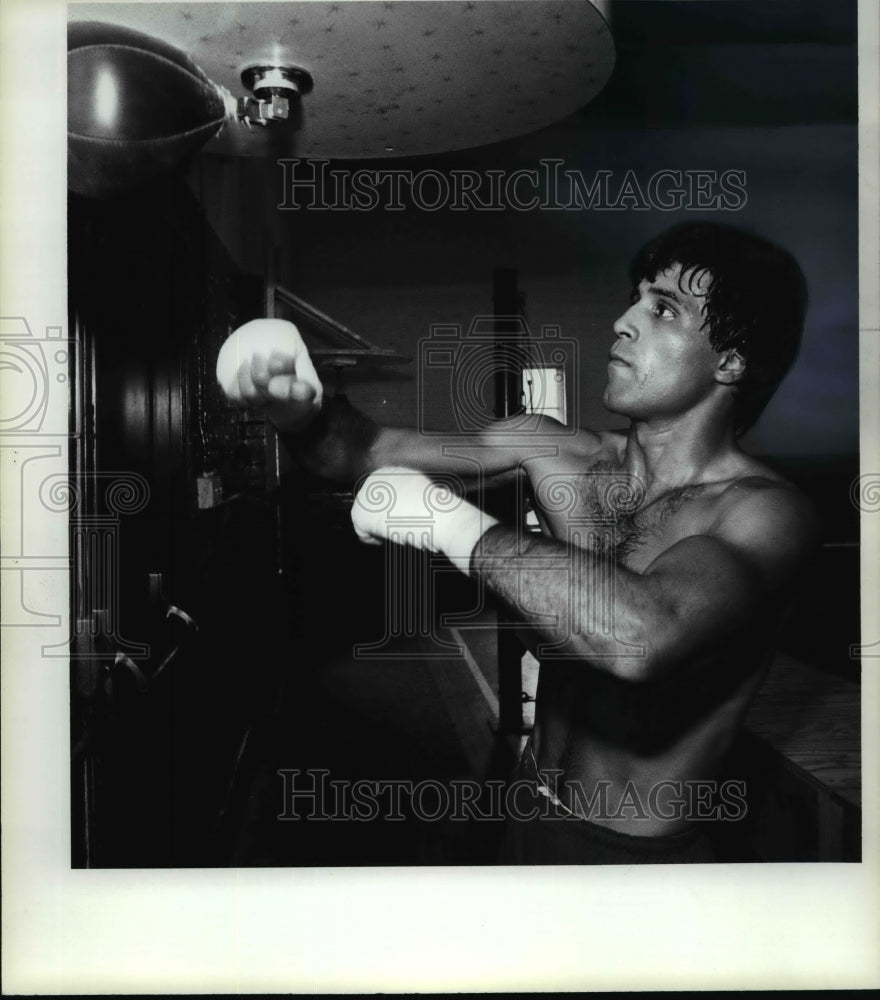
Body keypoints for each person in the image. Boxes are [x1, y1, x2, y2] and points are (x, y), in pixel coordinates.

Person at [221, 221, 818, 864]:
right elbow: (365, 451)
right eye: (634, 298)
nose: (622, 321)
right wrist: (300, 411)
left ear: (730, 361)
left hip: (635, 860)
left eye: (663, 309)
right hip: (526, 810)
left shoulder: (767, 513)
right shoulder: (553, 448)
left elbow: (641, 634)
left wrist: (448, 522)